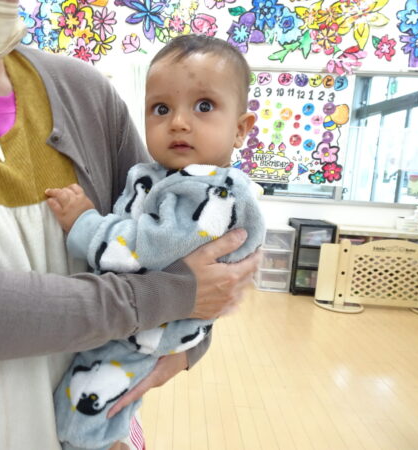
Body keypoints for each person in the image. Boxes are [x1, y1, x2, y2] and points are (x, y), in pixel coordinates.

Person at [0, 1, 261, 449]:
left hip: (80, 425)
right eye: (161, 108)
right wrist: (165, 297)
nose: (178, 122)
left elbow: (191, 256)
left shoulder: (86, 94)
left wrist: (183, 342)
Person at [46, 35, 263, 450]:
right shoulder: (167, 175)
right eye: (161, 109)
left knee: (82, 411)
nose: (178, 122)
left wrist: (84, 223)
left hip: (149, 327)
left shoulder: (210, 191)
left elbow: (146, 251)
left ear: (240, 129)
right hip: (143, 315)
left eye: (204, 106)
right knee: (109, 396)